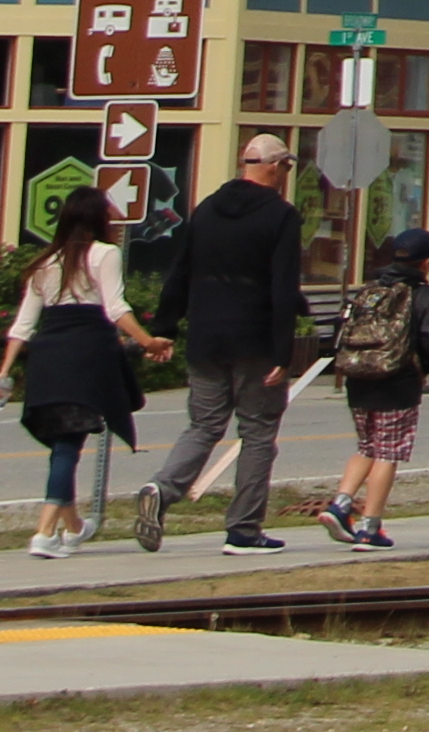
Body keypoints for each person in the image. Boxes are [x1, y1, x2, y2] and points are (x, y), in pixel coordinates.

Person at [132, 134, 306, 555]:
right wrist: (284, 351)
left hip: (206, 334)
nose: (287, 175)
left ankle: (163, 486)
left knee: (205, 425)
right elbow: (284, 287)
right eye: (287, 167)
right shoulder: (281, 216)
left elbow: (181, 271)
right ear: (275, 166)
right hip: (255, 338)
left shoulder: (207, 209)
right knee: (258, 431)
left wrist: (167, 328)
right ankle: (244, 529)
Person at [0, 184, 166, 558]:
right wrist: (148, 342)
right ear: (97, 218)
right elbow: (115, 309)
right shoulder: (105, 255)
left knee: (61, 445)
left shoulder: (44, 263)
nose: (115, 218)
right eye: (109, 212)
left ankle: (73, 527)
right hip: (86, 357)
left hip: (47, 359)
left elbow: (22, 326)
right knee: (68, 444)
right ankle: (44, 532)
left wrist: (3, 373)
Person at [312, 229, 429, 551]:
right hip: (398, 380)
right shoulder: (425, 294)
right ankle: (370, 526)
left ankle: (340, 503)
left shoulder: (371, 289)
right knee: (388, 453)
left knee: (367, 446)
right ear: (426, 262)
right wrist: (427, 367)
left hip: (359, 377)